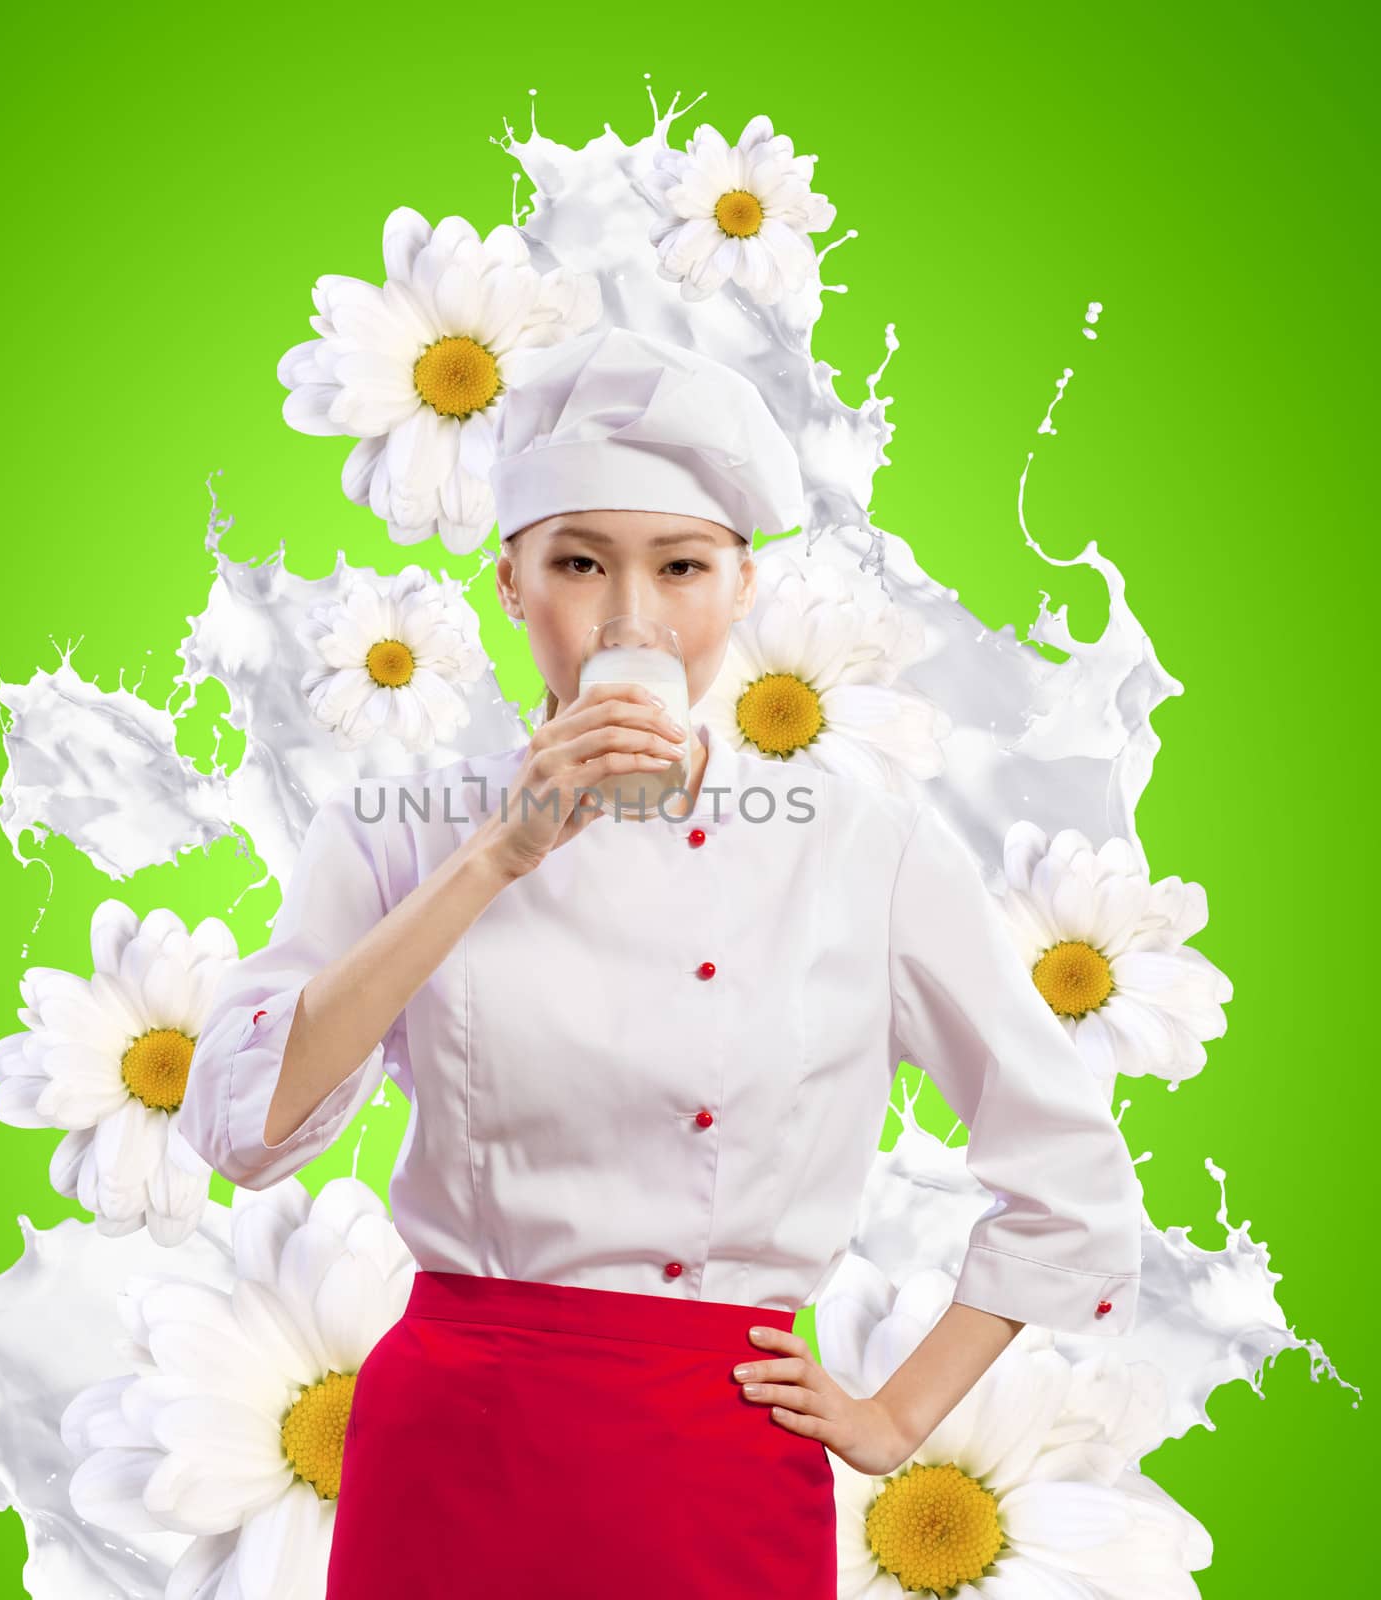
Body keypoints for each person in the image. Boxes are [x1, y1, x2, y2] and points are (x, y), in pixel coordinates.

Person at [175, 326, 1146, 1597]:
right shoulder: (396, 829)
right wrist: (492, 861)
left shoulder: (865, 844)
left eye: (679, 567)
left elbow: (1067, 1172)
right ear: (512, 584)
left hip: (714, 1443)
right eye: (578, 564)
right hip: (455, 1439)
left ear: (739, 589)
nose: (628, 617)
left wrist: (897, 1417)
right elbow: (242, 1126)